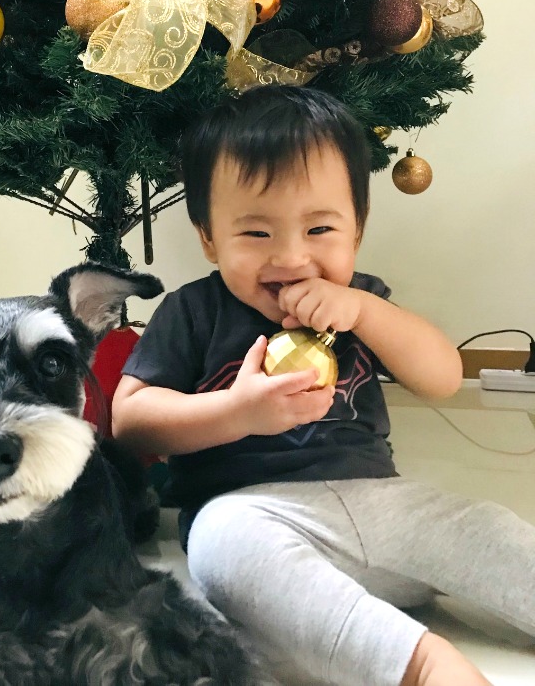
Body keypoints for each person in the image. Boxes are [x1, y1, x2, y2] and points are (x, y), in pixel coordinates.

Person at [112, 85, 535, 686]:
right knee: (220, 551)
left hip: (383, 507)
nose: (290, 256)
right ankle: (417, 662)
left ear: (356, 229)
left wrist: (364, 311)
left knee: (485, 527)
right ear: (209, 237)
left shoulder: (363, 300)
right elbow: (131, 422)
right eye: (256, 234)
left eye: (319, 230)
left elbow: (442, 377)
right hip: (254, 511)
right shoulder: (193, 311)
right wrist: (236, 412)